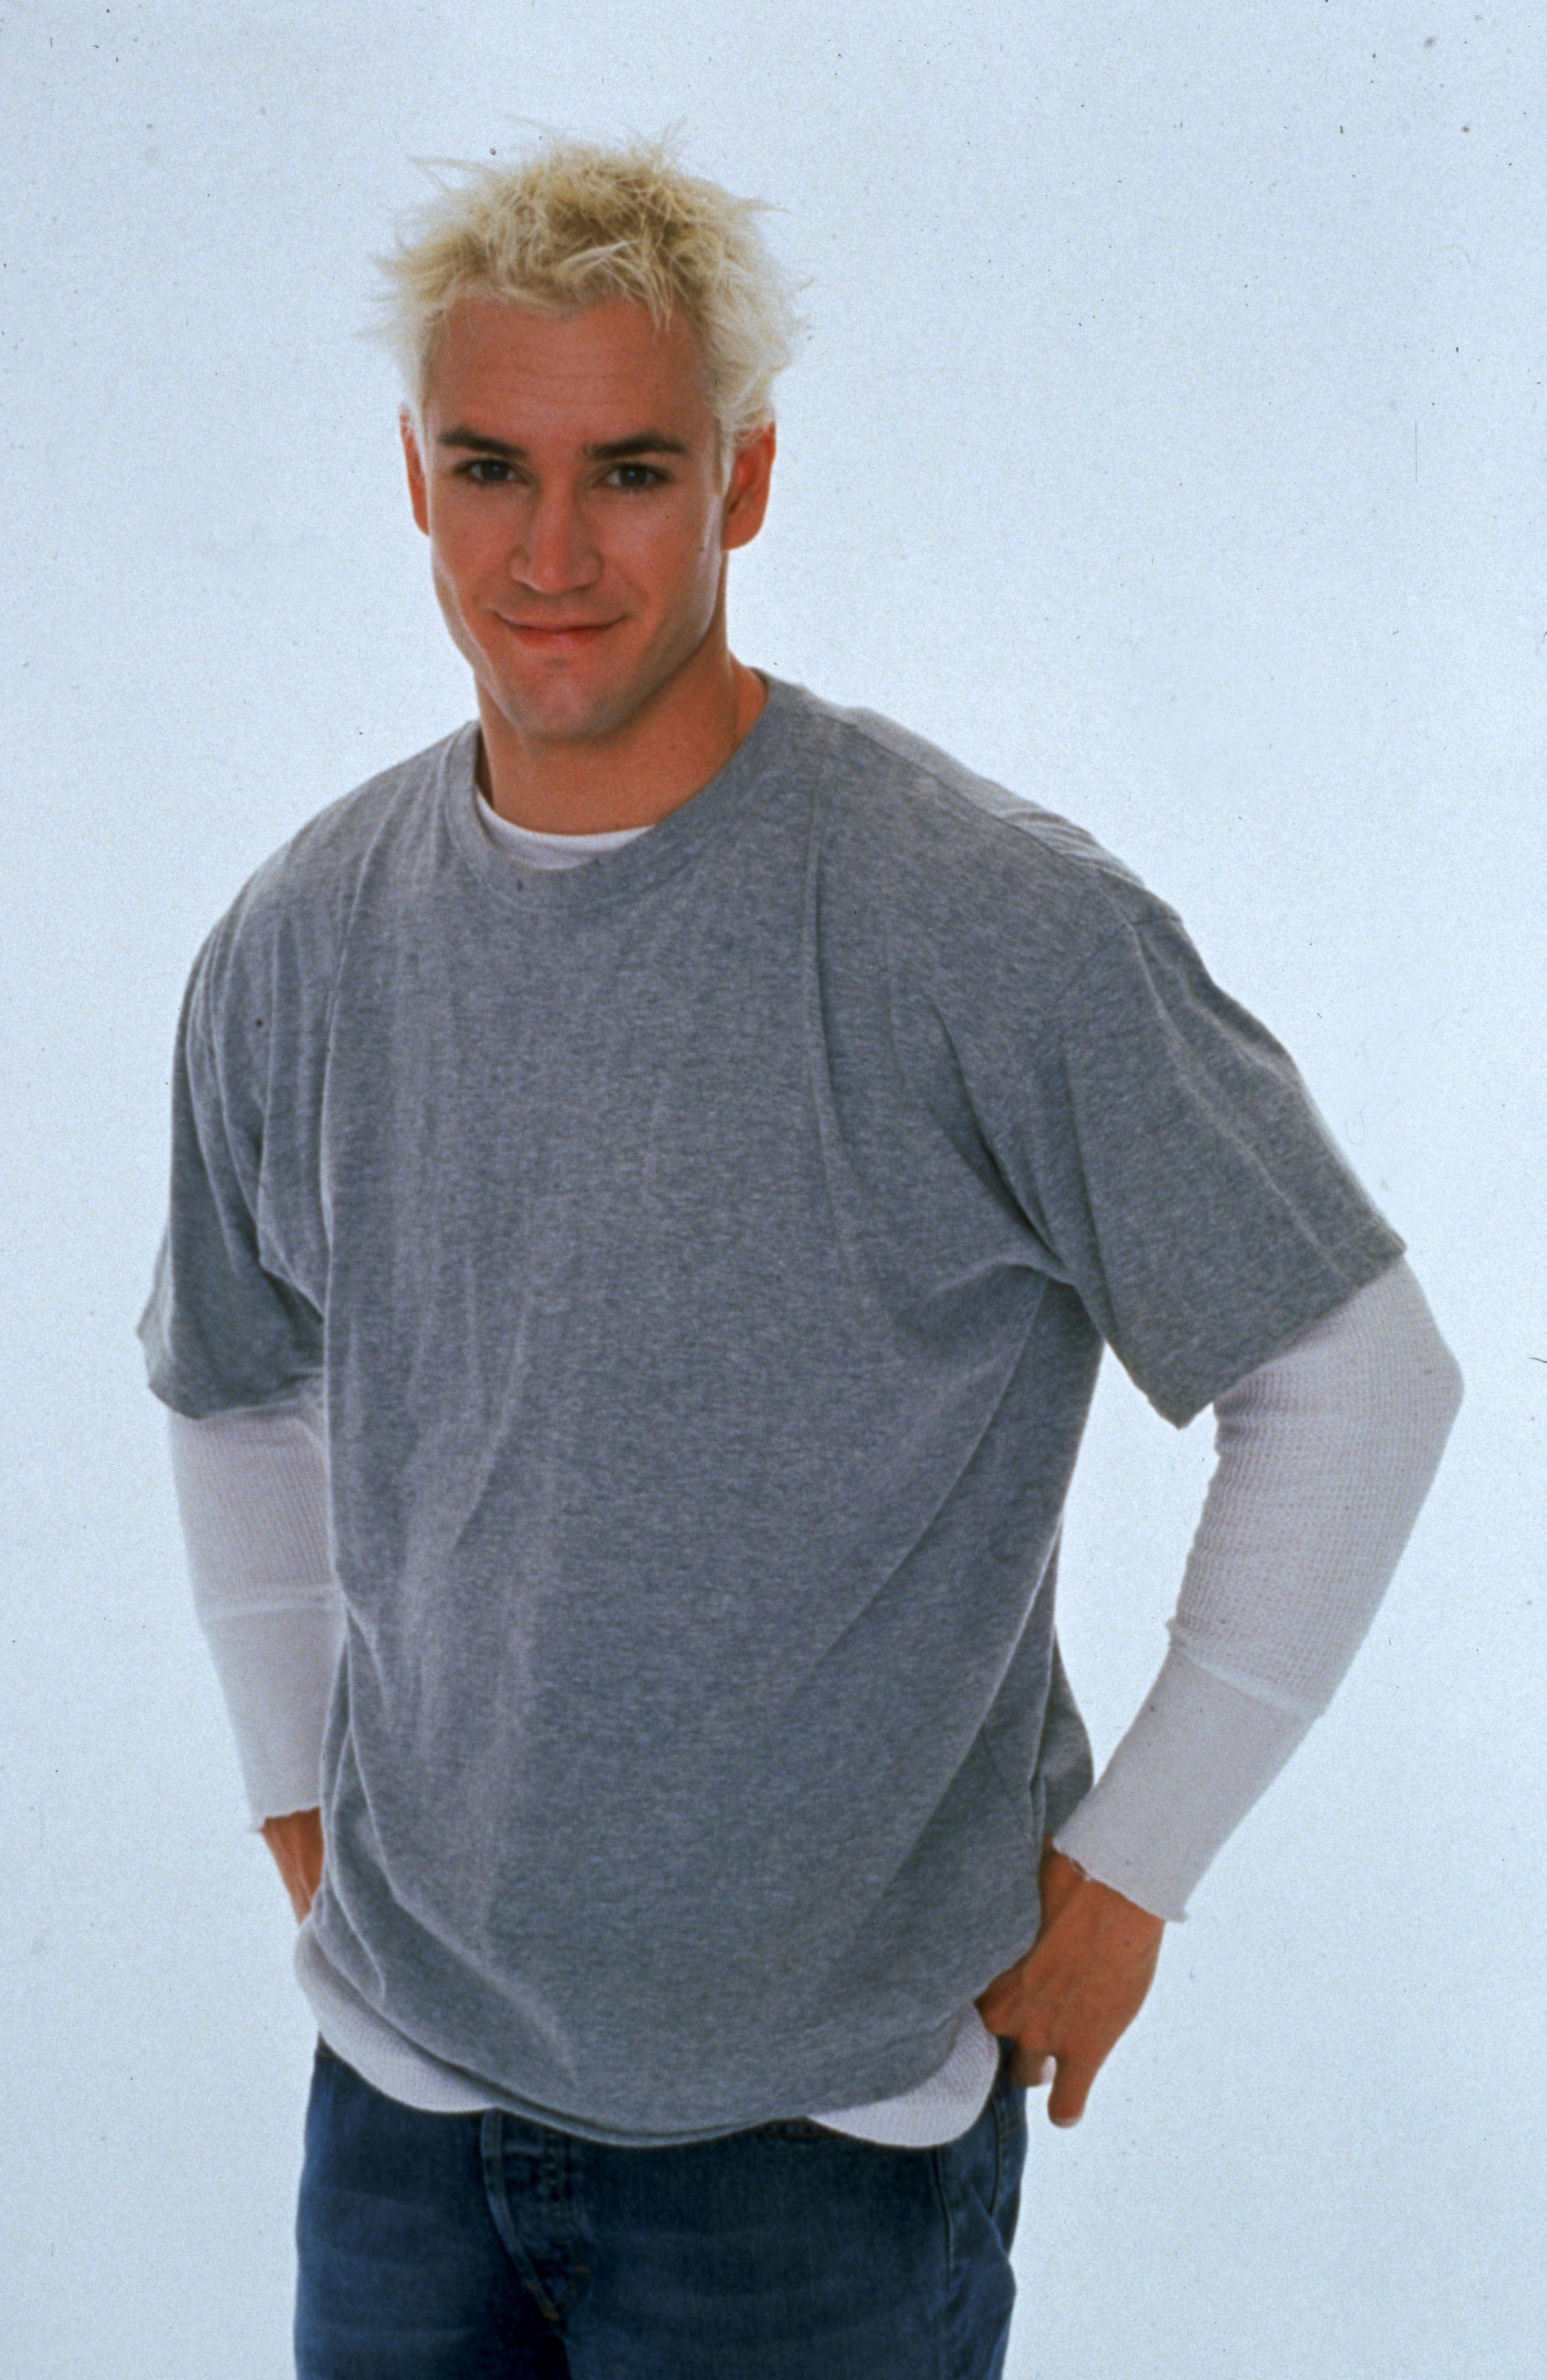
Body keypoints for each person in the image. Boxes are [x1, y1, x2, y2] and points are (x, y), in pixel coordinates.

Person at [139, 138, 1462, 2380]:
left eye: (630, 471)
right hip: (401, 2104)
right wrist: (298, 1802)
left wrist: (1130, 1873)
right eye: (492, 468)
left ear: (743, 482)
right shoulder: (303, 933)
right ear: (415, 480)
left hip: (823, 2150)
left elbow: (1356, 1374)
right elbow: (235, 1381)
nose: (550, 554)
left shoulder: (977, 922)